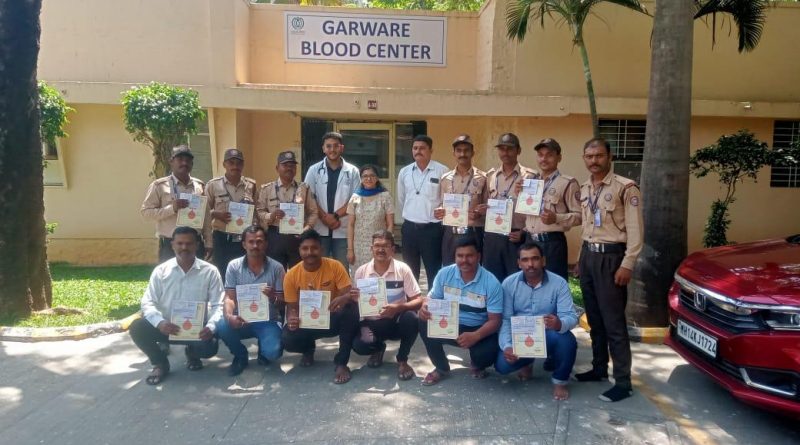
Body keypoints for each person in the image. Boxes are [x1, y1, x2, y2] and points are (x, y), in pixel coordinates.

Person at [573, 137, 643, 403]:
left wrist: (628, 263)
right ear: (584, 159)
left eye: (599, 156)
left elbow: (636, 231)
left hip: (612, 259)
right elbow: (587, 227)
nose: (594, 161)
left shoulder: (626, 188)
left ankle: (623, 382)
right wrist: (580, 259)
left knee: (614, 323)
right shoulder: (585, 188)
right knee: (595, 319)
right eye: (589, 156)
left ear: (610, 157)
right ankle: (599, 368)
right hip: (589, 257)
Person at [128, 226, 223, 385]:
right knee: (137, 327)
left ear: (197, 245)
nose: (184, 247)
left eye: (189, 243)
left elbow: (218, 304)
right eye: (180, 243)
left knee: (209, 348)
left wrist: (211, 327)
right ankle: (160, 363)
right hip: (167, 328)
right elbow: (147, 302)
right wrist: (160, 323)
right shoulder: (161, 271)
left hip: (196, 331)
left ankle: (193, 353)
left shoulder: (210, 271)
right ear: (172, 245)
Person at [494, 242, 578, 401]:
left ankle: (560, 381)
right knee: (502, 367)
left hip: (547, 335)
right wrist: (507, 346)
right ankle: (527, 362)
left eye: (535, 259)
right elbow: (505, 319)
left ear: (543, 261)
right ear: (519, 263)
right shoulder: (509, 284)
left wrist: (559, 323)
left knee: (567, 341)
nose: (530, 264)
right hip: (520, 338)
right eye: (525, 260)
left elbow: (571, 316)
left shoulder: (559, 283)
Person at [417, 236, 503, 385]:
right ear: (455, 257)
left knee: (487, 353)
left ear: (478, 256)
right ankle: (441, 367)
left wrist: (476, 335)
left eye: (469, 255)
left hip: (478, 328)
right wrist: (425, 306)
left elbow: (495, 321)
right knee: (422, 320)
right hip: (449, 325)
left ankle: (478, 364)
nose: (464, 260)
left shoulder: (492, 282)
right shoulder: (444, 273)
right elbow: (431, 298)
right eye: (460, 256)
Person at [282, 229, 359, 384]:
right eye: (305, 248)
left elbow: (349, 294)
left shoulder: (335, 266)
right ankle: (308, 349)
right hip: (307, 321)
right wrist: (292, 319)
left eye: (314, 248)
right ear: (299, 250)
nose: (310, 252)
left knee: (351, 310)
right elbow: (292, 308)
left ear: (321, 249)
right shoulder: (291, 275)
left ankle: (342, 362)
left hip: (332, 318)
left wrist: (343, 298)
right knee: (287, 338)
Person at [350, 230, 422, 380]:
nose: (381, 250)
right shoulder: (361, 272)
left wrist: (399, 308)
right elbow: (356, 303)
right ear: (371, 248)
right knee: (359, 345)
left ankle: (402, 359)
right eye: (377, 246)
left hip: (395, 321)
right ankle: (378, 348)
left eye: (385, 246)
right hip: (372, 322)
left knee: (412, 318)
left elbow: (418, 300)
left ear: (393, 249)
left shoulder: (402, 269)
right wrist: (356, 299)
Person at [215, 225, 286, 376]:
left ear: (266, 244)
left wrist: (273, 297)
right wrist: (229, 316)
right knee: (222, 325)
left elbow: (282, 304)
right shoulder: (233, 266)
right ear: (244, 244)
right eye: (251, 242)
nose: (255, 246)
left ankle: (264, 350)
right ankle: (240, 356)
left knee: (273, 352)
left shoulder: (277, 268)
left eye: (259, 241)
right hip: (241, 319)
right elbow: (229, 297)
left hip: (268, 320)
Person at [481, 134, 538, 282]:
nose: (505, 153)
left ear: (518, 150)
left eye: (510, 149)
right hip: (494, 236)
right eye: (502, 149)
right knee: (492, 280)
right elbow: (487, 202)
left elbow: (535, 210)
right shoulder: (491, 176)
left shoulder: (531, 176)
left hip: (516, 236)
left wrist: (524, 232)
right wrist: (483, 209)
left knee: (517, 281)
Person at [140, 145, 211, 263]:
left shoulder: (199, 186)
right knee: (169, 275)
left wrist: (209, 242)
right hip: (170, 244)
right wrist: (172, 208)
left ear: (192, 164)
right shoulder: (159, 186)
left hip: (195, 244)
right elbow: (145, 213)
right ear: (171, 162)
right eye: (180, 159)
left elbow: (206, 216)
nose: (184, 163)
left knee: (197, 275)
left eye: (188, 160)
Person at [523, 139, 581, 280]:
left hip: (552, 244)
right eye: (540, 155)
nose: (544, 159)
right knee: (530, 283)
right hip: (530, 242)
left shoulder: (568, 183)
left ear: (559, 157)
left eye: (549, 155)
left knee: (553, 284)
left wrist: (557, 218)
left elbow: (580, 216)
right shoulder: (531, 182)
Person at [303, 132, 360, 270]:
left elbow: (355, 199)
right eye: (328, 146)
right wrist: (324, 217)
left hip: (342, 228)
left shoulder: (352, 171)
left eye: (336, 146)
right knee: (318, 268)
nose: (332, 149)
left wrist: (335, 216)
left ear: (342, 148)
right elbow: (309, 196)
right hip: (319, 228)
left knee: (342, 269)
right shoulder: (313, 170)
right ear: (323, 148)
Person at [396, 135, 449, 283]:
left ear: (431, 150)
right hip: (409, 229)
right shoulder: (405, 172)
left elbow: (446, 199)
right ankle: (411, 298)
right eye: (415, 148)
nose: (418, 151)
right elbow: (401, 199)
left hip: (432, 230)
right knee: (409, 272)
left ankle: (433, 298)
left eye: (422, 148)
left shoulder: (442, 171)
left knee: (434, 270)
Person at [257, 150, 319, 270]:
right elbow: (259, 211)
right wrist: (271, 215)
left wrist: (306, 229)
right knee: (275, 272)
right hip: (275, 236)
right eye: (285, 165)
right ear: (277, 168)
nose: (289, 168)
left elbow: (313, 212)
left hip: (297, 237)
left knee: (298, 273)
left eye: (292, 165)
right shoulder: (267, 189)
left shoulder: (304, 188)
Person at [434, 135, 488, 266]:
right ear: (454, 153)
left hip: (473, 232)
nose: (462, 154)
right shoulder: (445, 178)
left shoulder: (483, 178)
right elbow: (441, 203)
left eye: (466, 150)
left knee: (473, 269)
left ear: (473, 153)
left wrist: (480, 213)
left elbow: (488, 206)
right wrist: (439, 211)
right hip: (451, 232)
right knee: (449, 269)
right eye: (459, 150)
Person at [205, 148, 258, 281]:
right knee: (222, 275)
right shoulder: (213, 185)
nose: (235, 166)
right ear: (224, 164)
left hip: (243, 239)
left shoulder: (251, 185)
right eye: (231, 163)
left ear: (243, 165)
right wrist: (216, 213)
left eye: (239, 163)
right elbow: (203, 212)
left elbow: (256, 211)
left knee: (244, 275)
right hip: (222, 238)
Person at [346, 165, 395, 272]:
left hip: (379, 246)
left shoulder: (385, 196)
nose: (368, 178)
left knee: (379, 276)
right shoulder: (355, 198)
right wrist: (350, 249)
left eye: (372, 175)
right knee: (360, 276)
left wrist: (387, 245)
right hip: (359, 248)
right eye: (365, 176)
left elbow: (390, 224)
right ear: (361, 179)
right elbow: (350, 225)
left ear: (377, 178)